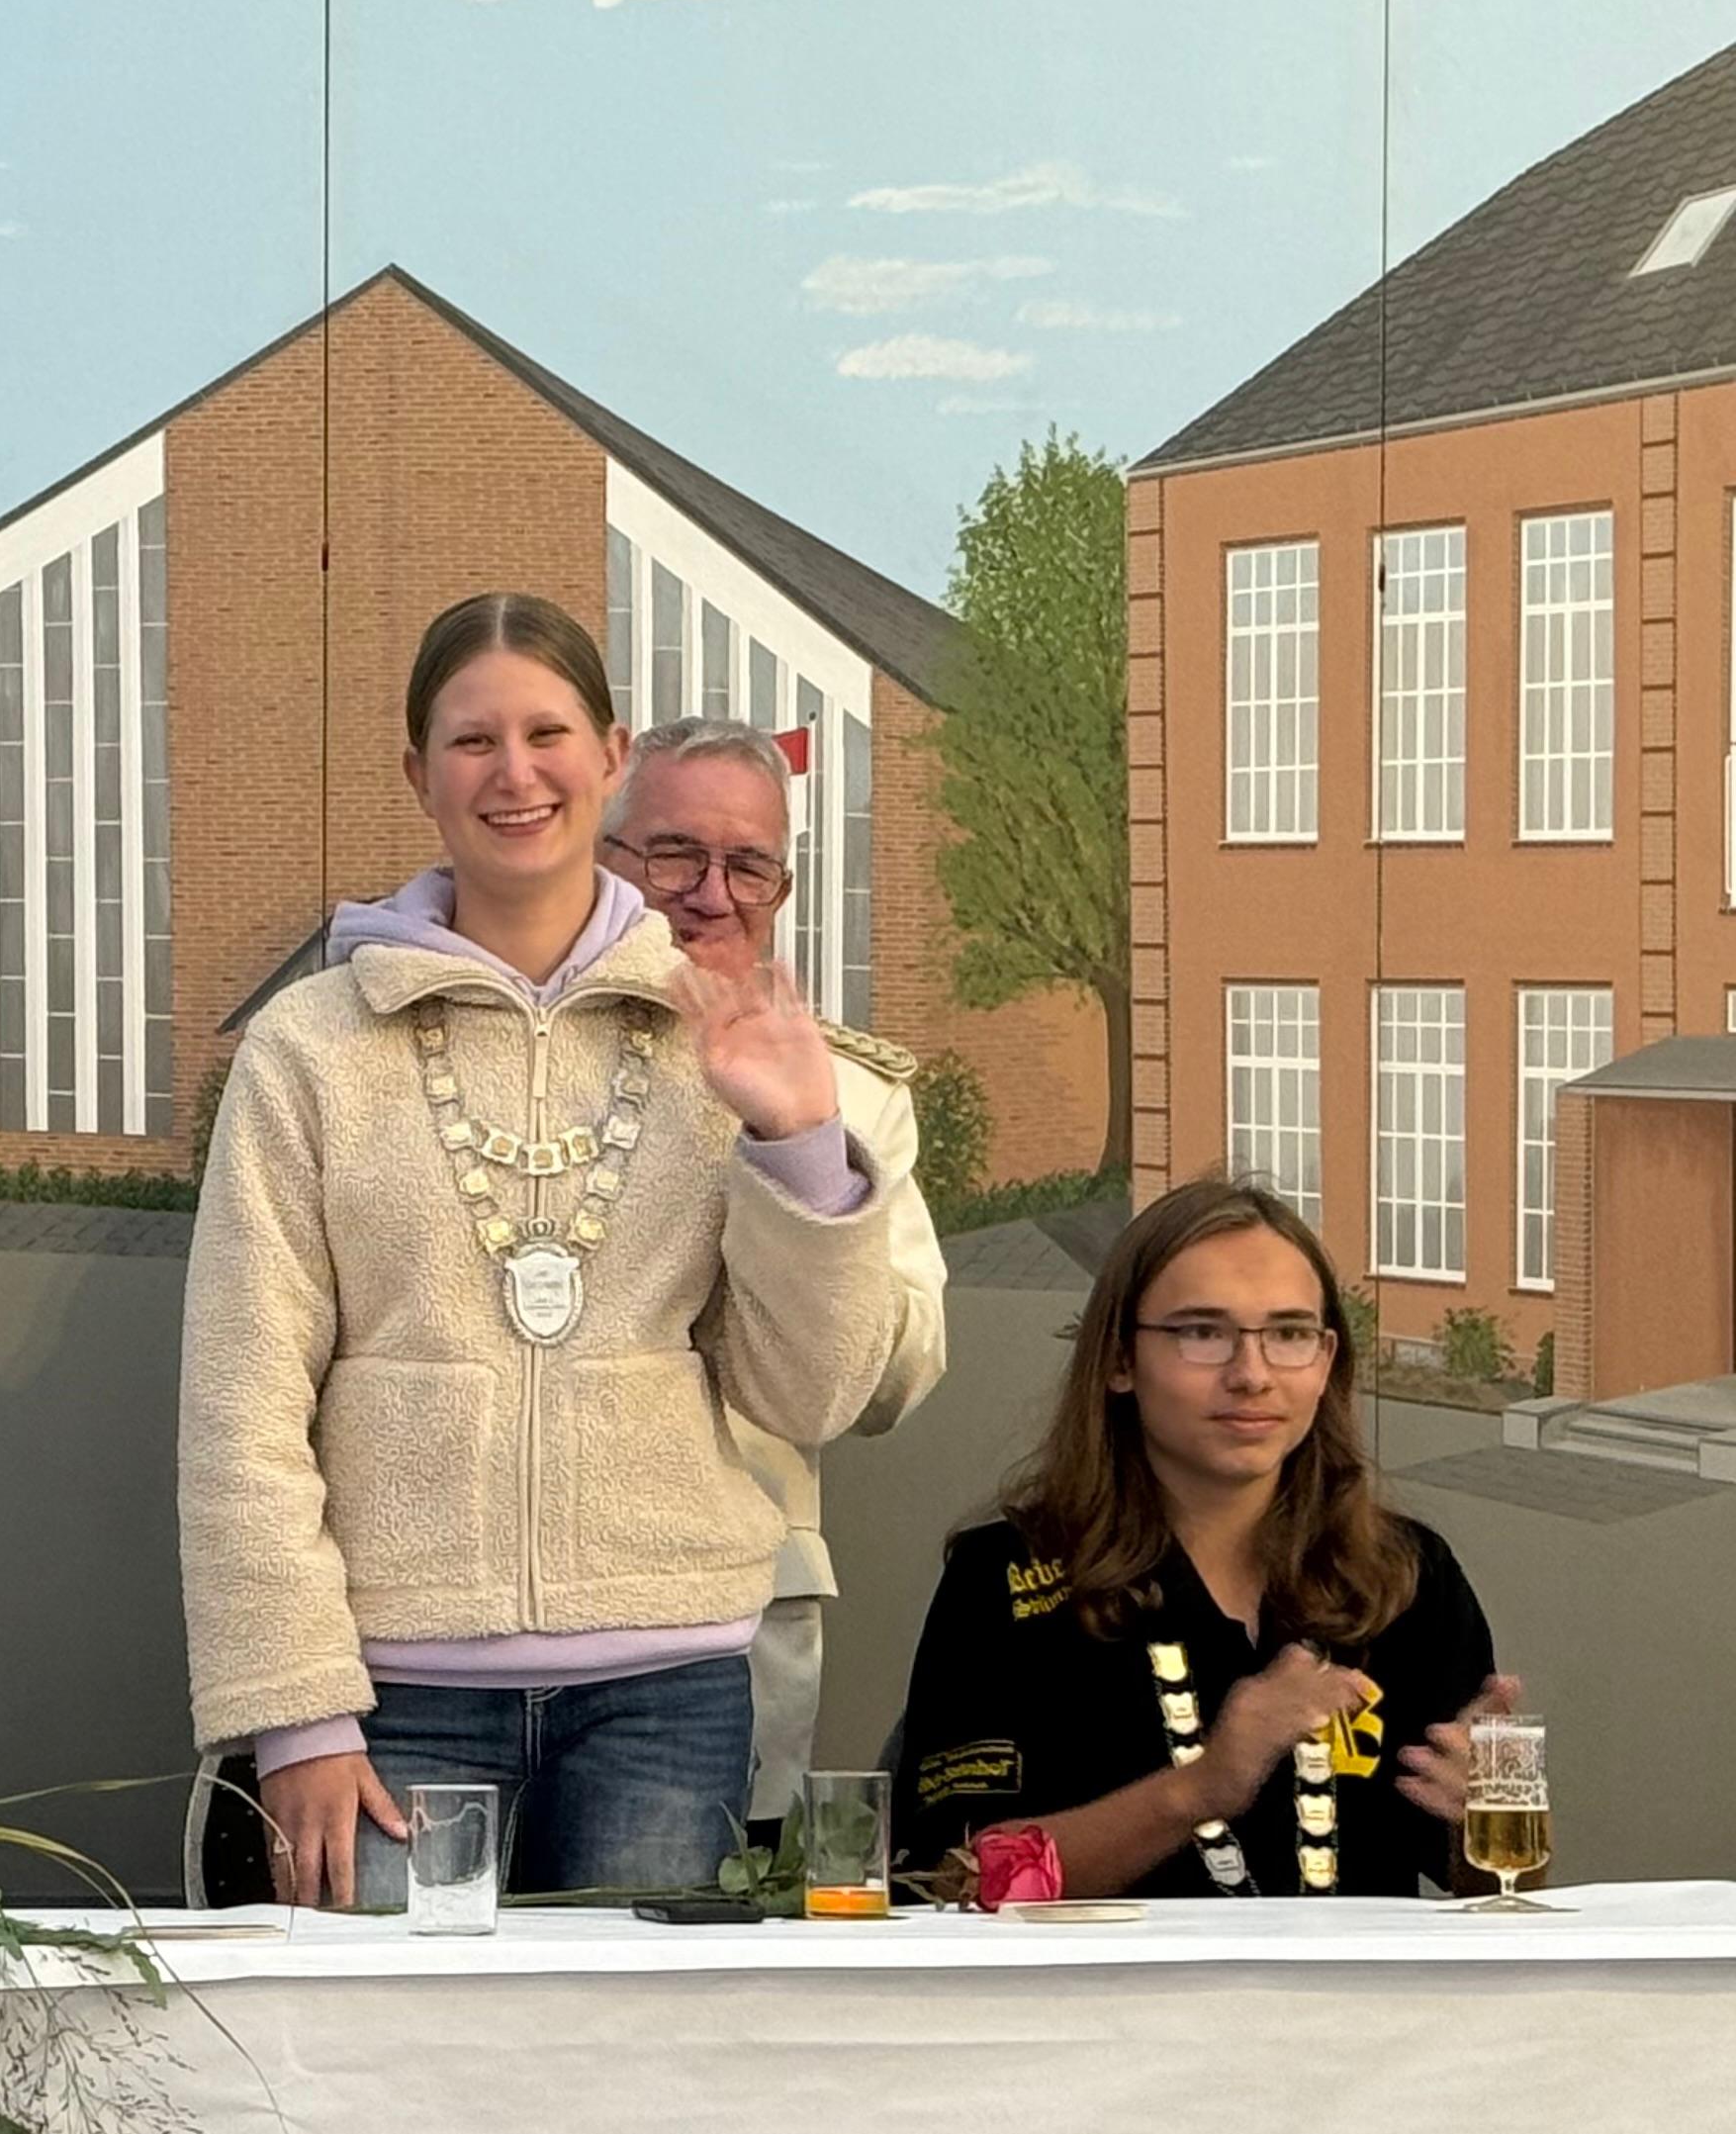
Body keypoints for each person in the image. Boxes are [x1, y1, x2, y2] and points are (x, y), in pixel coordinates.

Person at [182, 592, 914, 1908]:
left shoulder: (721, 1035)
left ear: (609, 755)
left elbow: (807, 1395)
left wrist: (802, 1147)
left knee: (626, 2041)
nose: (513, 774)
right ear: (418, 772)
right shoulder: (311, 1045)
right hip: (389, 1689)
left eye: (546, 734)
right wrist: (294, 1707)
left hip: (664, 1688)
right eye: (472, 741)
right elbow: (242, 1401)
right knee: (386, 2041)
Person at [893, 1178, 1513, 1898]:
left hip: (1350, 1978)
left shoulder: (1406, 1574)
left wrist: (1486, 1825)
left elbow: (1484, 1889)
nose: (1251, 1375)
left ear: (1325, 1361)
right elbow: (951, 1877)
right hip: (1111, 1975)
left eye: (1288, 1334)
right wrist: (1201, 1786)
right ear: (1119, 1360)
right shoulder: (1004, 1576)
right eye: (1202, 1333)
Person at [596, 716, 948, 1842]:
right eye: (672, 856)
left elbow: (896, 1380)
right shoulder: (512, 1060)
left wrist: (808, 1184)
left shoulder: (848, 1095)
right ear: (601, 853)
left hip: (732, 1612)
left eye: (749, 865)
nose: (711, 895)